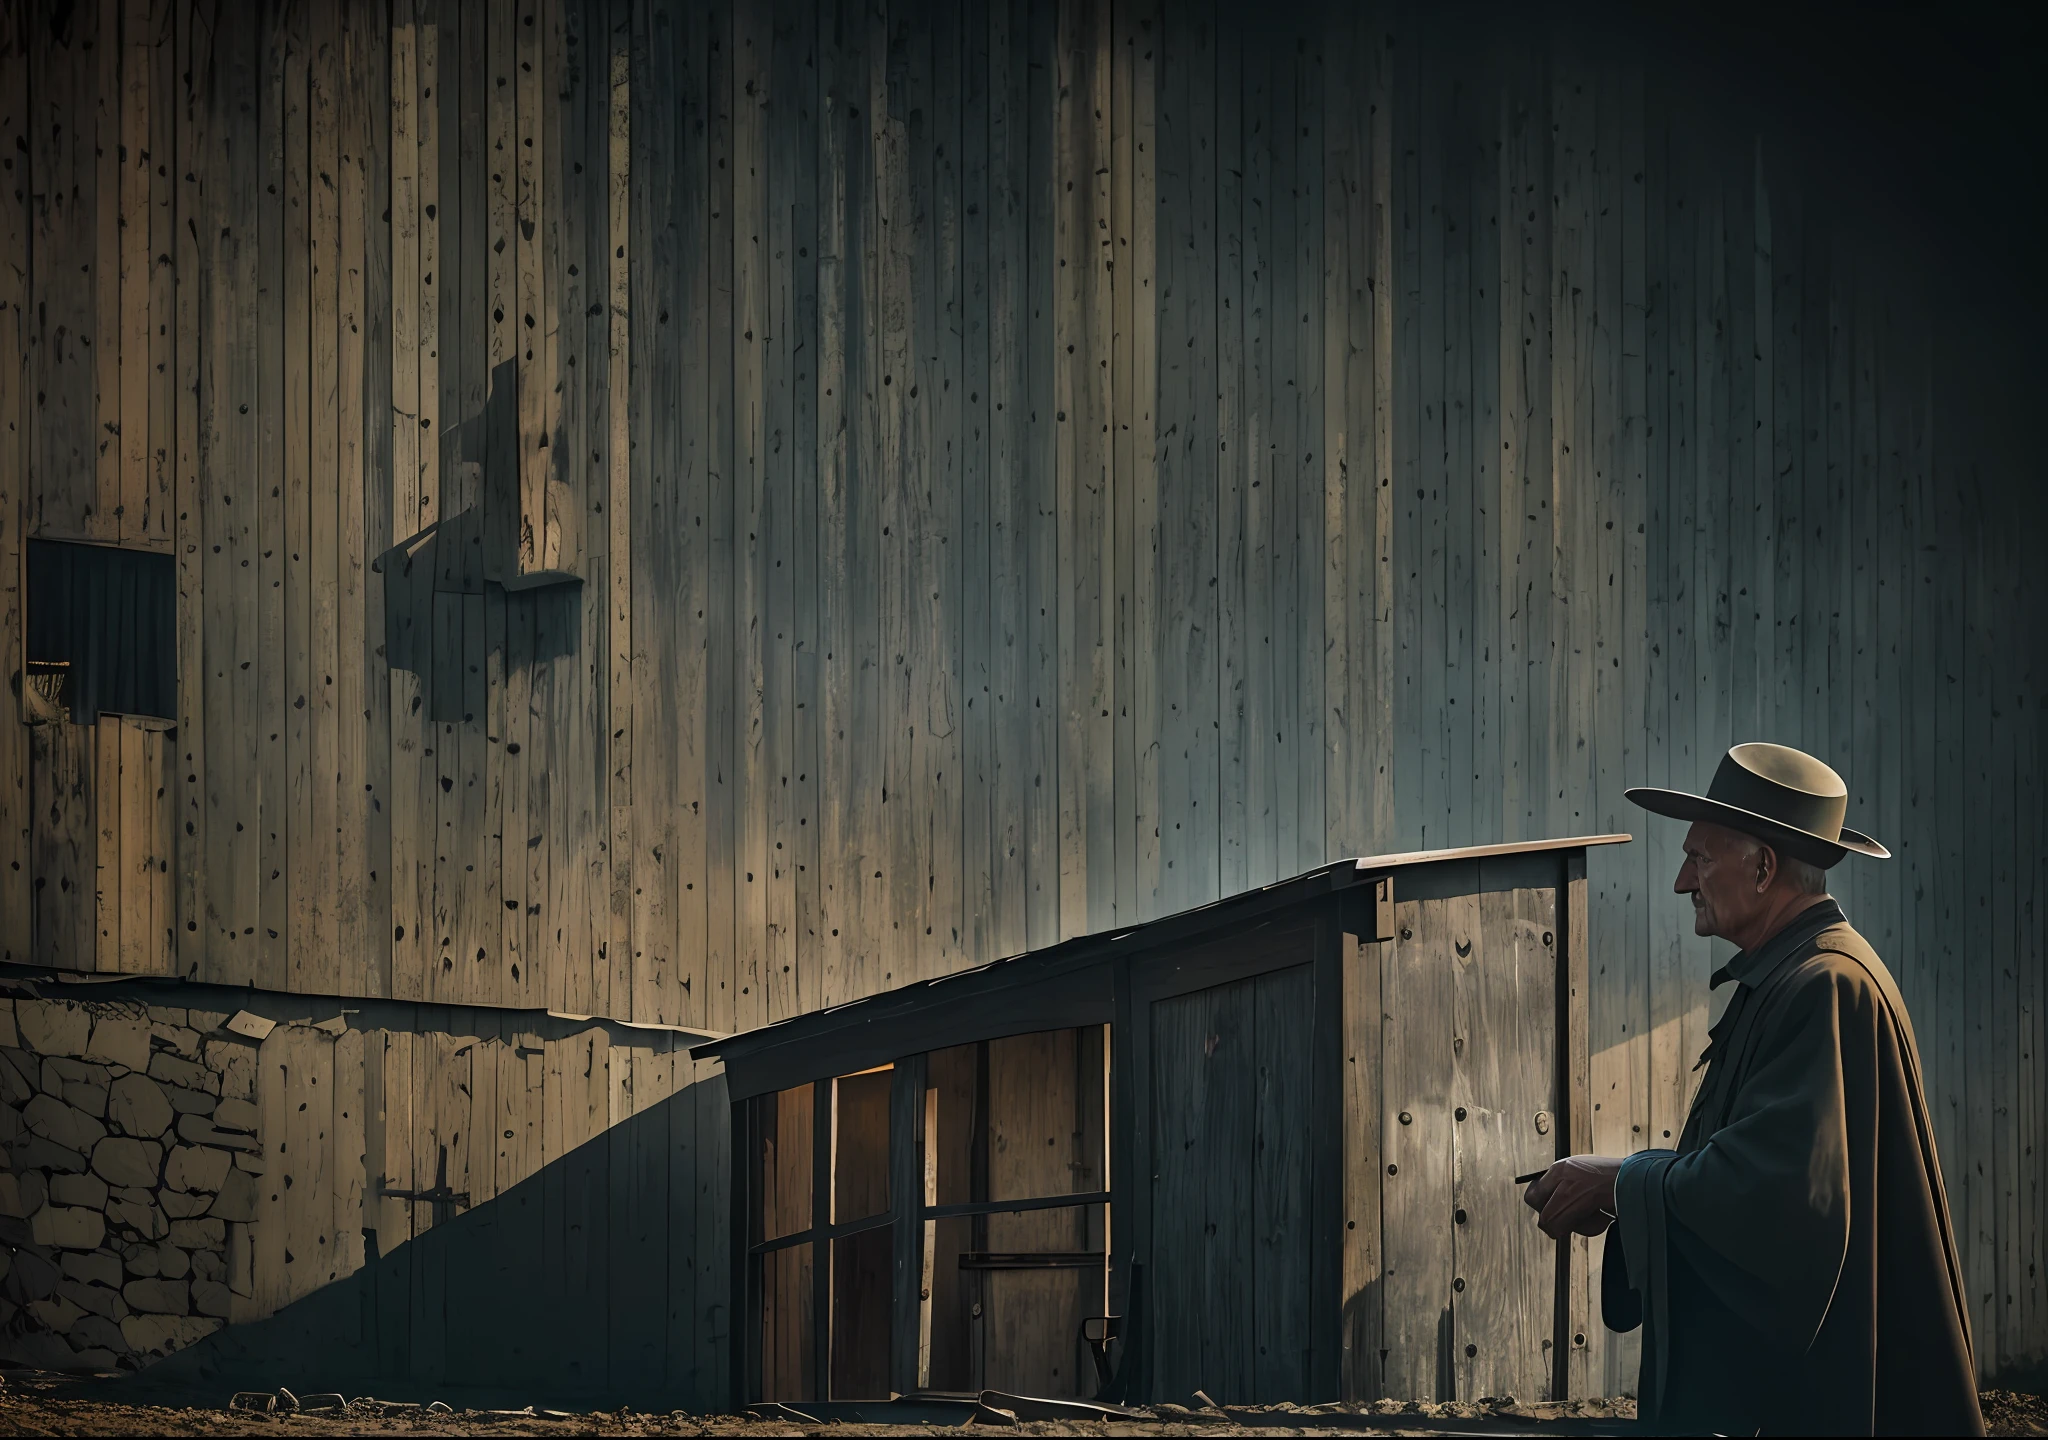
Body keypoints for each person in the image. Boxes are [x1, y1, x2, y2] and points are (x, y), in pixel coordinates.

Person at [1523, 743, 1983, 1436]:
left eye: (1700, 859)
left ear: (1764, 867)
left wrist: (1621, 1184)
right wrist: (1630, 1199)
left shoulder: (1825, 985)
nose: (1682, 882)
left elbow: (1775, 1201)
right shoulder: (1801, 976)